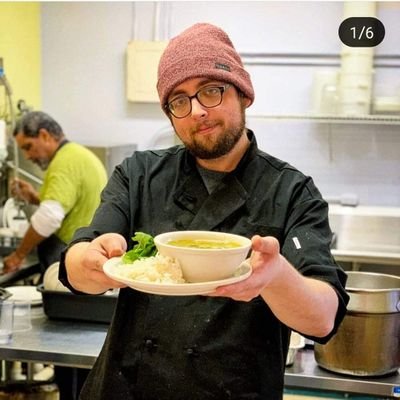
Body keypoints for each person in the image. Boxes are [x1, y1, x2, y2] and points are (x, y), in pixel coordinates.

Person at [59, 23, 349, 400]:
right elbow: (77, 266)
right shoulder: (139, 175)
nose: (196, 111)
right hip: (126, 387)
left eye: (211, 90)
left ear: (243, 94)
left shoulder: (292, 191)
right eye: (179, 100)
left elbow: (322, 318)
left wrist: (276, 276)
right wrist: (92, 262)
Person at [2, 111, 107, 275]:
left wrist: (18, 255)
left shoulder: (65, 163)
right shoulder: (77, 154)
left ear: (44, 135)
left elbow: (49, 218)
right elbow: (71, 205)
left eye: (28, 147)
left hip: (71, 253)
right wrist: (34, 198)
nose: (27, 156)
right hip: (85, 250)